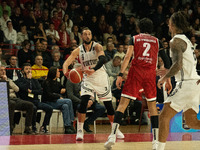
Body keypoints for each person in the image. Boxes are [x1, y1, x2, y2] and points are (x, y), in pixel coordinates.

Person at [104, 18, 170, 149]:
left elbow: (128, 56)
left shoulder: (134, 38)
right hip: (150, 74)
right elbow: (167, 62)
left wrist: (120, 75)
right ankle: (156, 142)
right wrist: (164, 75)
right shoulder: (157, 41)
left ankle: (112, 136)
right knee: (152, 107)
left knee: (123, 103)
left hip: (136, 72)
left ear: (139, 28)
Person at [63, 27, 124, 141]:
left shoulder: (97, 46)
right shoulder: (78, 50)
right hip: (88, 79)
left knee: (109, 106)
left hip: (101, 77)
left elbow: (103, 59)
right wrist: (66, 73)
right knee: (83, 102)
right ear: (81, 36)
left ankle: (115, 129)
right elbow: (66, 63)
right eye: (85, 34)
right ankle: (80, 130)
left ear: (91, 36)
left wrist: (94, 69)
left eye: (89, 34)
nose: (87, 36)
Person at [157, 11, 200, 150]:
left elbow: (178, 65)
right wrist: (169, 72)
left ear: (172, 24)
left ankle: (158, 148)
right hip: (195, 84)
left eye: (169, 23)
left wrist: (164, 77)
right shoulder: (186, 40)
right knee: (192, 122)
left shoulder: (175, 41)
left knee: (163, 117)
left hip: (186, 83)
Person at [66, 63, 106, 133]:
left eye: (82, 69)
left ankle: (87, 123)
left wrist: (91, 100)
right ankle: (79, 126)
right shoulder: (70, 80)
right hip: (78, 102)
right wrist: (82, 102)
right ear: (75, 70)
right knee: (82, 107)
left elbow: (93, 91)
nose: (82, 71)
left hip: (89, 100)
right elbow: (70, 95)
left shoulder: (87, 78)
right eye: (80, 69)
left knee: (101, 108)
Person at [15, 63, 53, 133]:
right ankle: (33, 126)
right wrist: (28, 80)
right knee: (33, 108)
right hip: (26, 101)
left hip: (35, 100)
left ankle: (44, 126)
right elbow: (23, 88)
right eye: (27, 69)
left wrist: (32, 91)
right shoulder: (19, 81)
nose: (29, 71)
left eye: (30, 69)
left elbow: (40, 91)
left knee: (49, 108)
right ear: (22, 71)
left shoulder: (34, 80)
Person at [0, 65, 34, 135]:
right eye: (1, 70)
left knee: (30, 105)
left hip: (14, 98)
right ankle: (9, 127)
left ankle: (28, 127)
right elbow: (3, 93)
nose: (3, 72)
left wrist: (7, 81)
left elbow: (17, 89)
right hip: (3, 100)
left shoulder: (8, 79)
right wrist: (4, 82)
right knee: (12, 104)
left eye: (4, 70)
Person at [42, 66, 75, 134]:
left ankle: (67, 126)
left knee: (65, 106)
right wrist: (58, 96)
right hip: (48, 102)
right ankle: (72, 121)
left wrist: (62, 90)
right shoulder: (46, 82)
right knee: (68, 101)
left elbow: (63, 89)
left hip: (56, 101)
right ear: (53, 73)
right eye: (57, 71)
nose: (59, 73)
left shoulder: (57, 82)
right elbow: (48, 95)